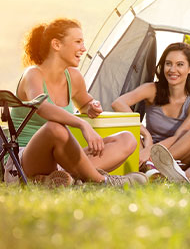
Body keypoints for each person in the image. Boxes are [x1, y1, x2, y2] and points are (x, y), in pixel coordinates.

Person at [4, 18, 147, 187]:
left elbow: (84, 102)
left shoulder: (73, 76)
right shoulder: (33, 74)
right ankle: (103, 181)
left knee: (127, 139)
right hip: (24, 160)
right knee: (55, 127)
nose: (84, 48)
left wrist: (92, 106)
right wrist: (82, 124)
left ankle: (63, 180)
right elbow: (42, 107)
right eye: (78, 42)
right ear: (56, 45)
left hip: (61, 162)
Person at [112, 42, 190, 183]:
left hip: (177, 155)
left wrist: (152, 152)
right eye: (168, 63)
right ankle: (150, 170)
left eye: (180, 64)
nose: (172, 69)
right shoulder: (152, 89)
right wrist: (146, 134)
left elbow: (180, 135)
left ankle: (154, 167)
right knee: (128, 128)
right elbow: (118, 103)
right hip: (146, 148)